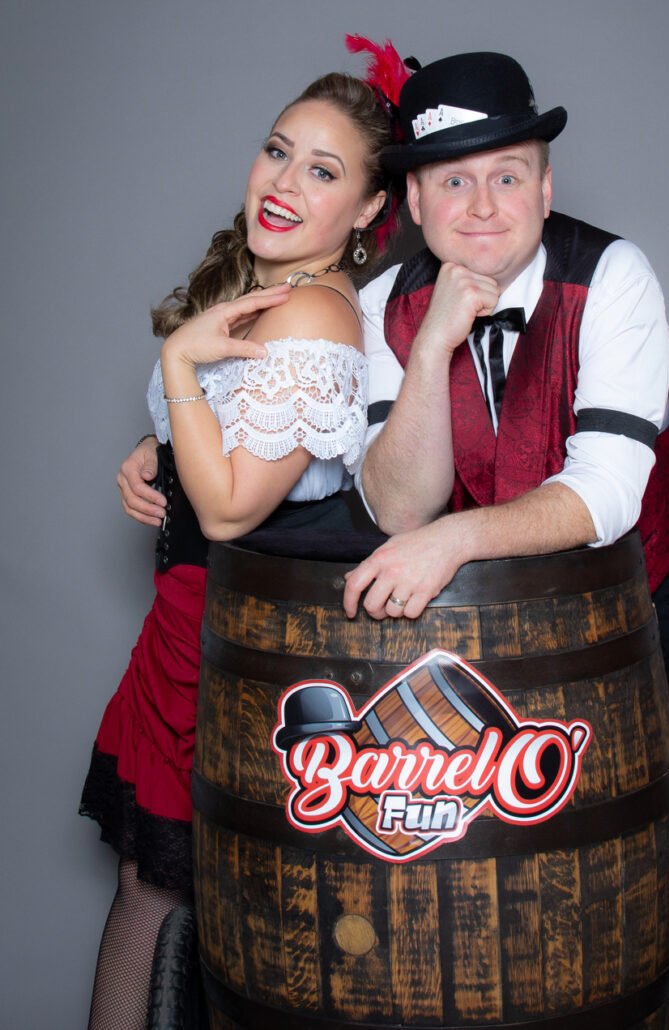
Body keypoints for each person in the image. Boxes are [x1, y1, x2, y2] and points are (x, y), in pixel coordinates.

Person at [80, 69, 395, 1029]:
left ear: (371, 208)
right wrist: (158, 449)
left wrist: (179, 367)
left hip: (245, 649)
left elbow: (226, 513)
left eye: (324, 169)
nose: (285, 180)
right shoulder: (269, 290)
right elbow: (225, 447)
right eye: (277, 149)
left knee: (227, 917)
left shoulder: (312, 314)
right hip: (184, 629)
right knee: (150, 890)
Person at [339, 52, 669, 830]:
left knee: (627, 860)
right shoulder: (381, 304)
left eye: (507, 177)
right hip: (480, 624)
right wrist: (430, 349)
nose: (482, 205)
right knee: (498, 888)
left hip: (637, 612)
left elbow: (609, 494)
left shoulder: (614, 276)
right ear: (413, 200)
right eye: (452, 180)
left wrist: (457, 539)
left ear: (545, 189)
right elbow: (402, 512)